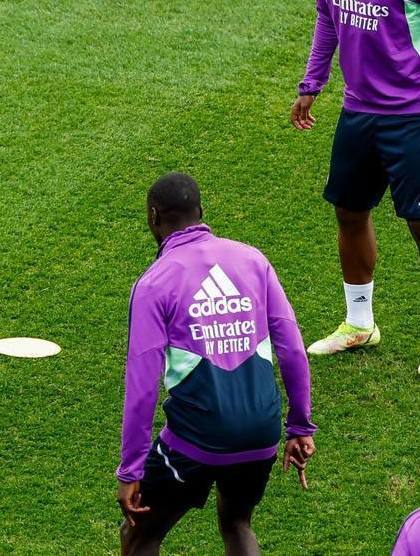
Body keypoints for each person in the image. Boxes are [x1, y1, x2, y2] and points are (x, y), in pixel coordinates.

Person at [117, 173, 317, 555]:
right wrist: (300, 426)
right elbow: (292, 347)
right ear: (201, 213)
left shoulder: (155, 283)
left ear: (154, 218)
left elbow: (141, 387)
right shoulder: (252, 260)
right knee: (237, 522)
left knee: (139, 535)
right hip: (260, 434)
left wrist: (131, 471)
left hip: (195, 437)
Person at [291, 0, 420, 373]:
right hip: (359, 111)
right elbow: (327, 17)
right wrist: (313, 82)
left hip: (417, 113)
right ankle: (359, 323)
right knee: (350, 212)